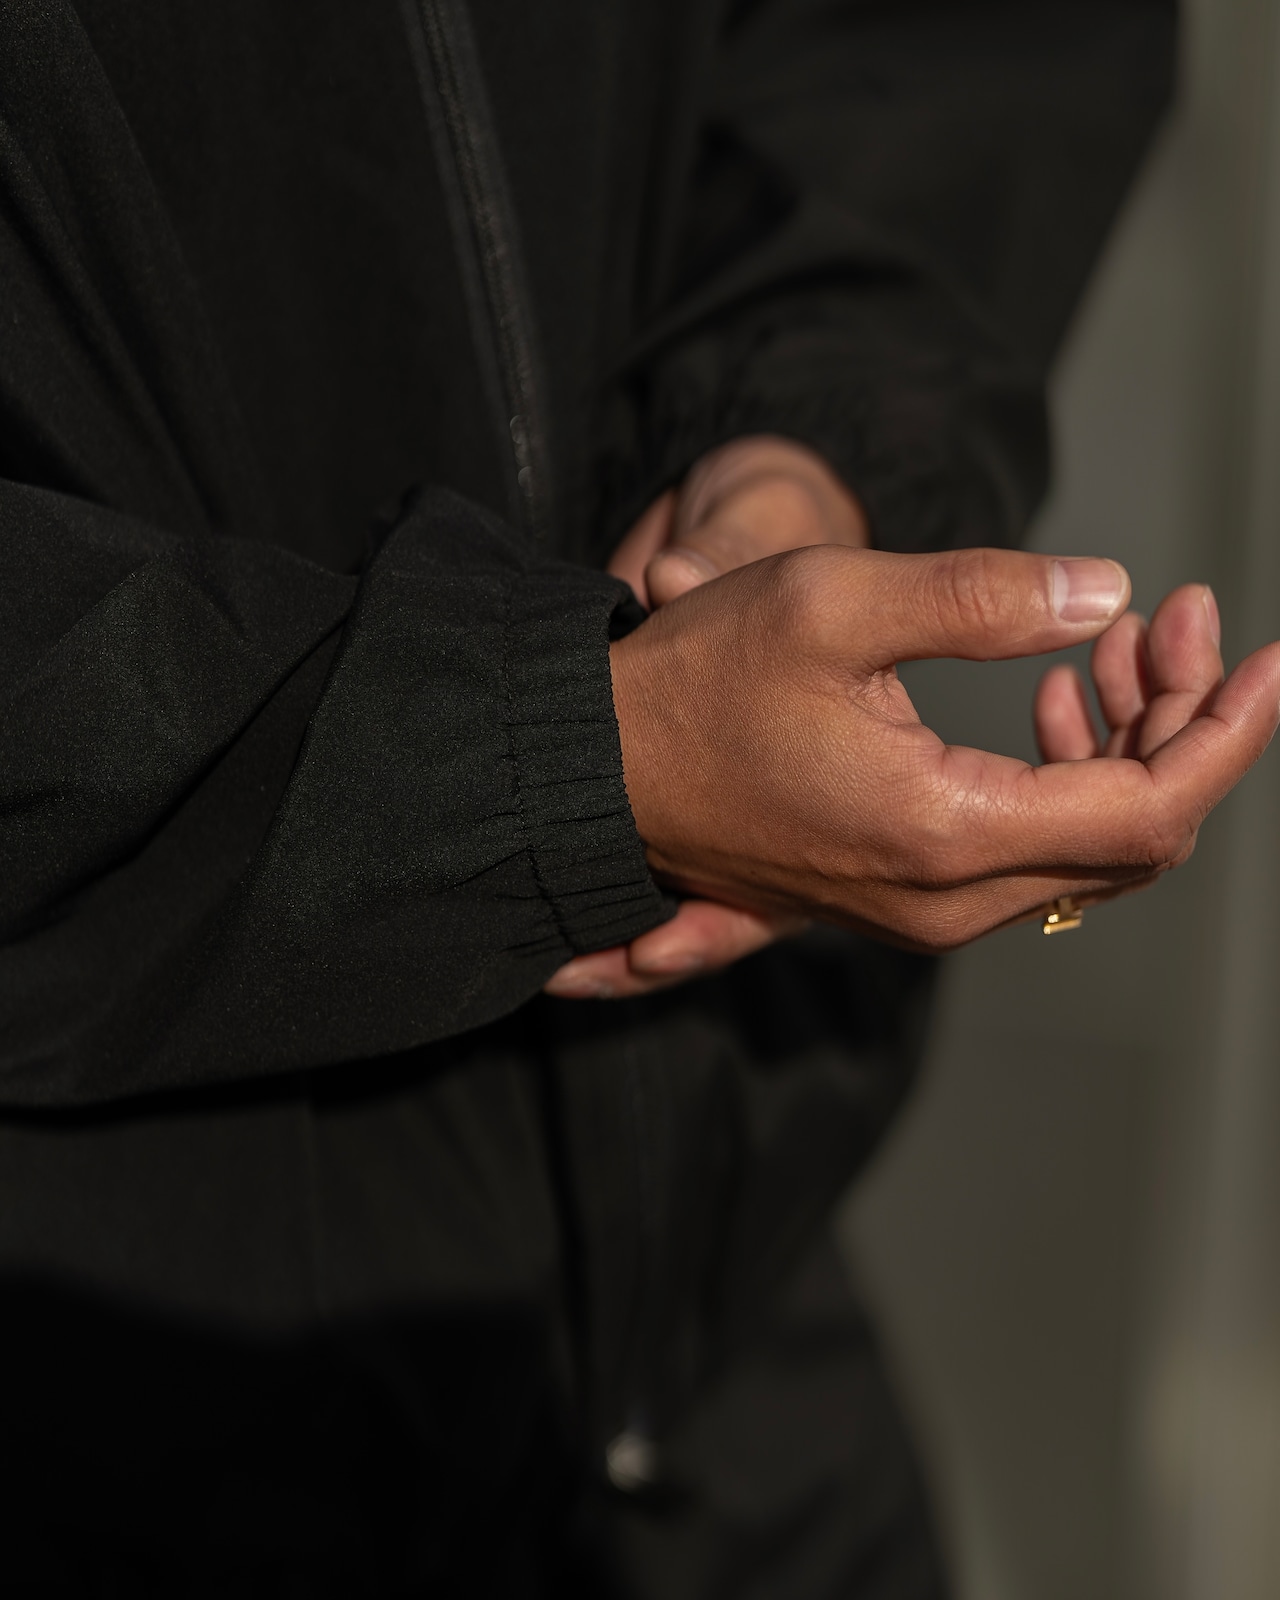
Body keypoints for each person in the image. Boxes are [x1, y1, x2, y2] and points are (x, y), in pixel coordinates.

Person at [2, 0, 1272, 1593]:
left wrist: (801, 444)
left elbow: (972, 42)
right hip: (123, 1398)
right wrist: (568, 756)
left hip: (709, 1341)